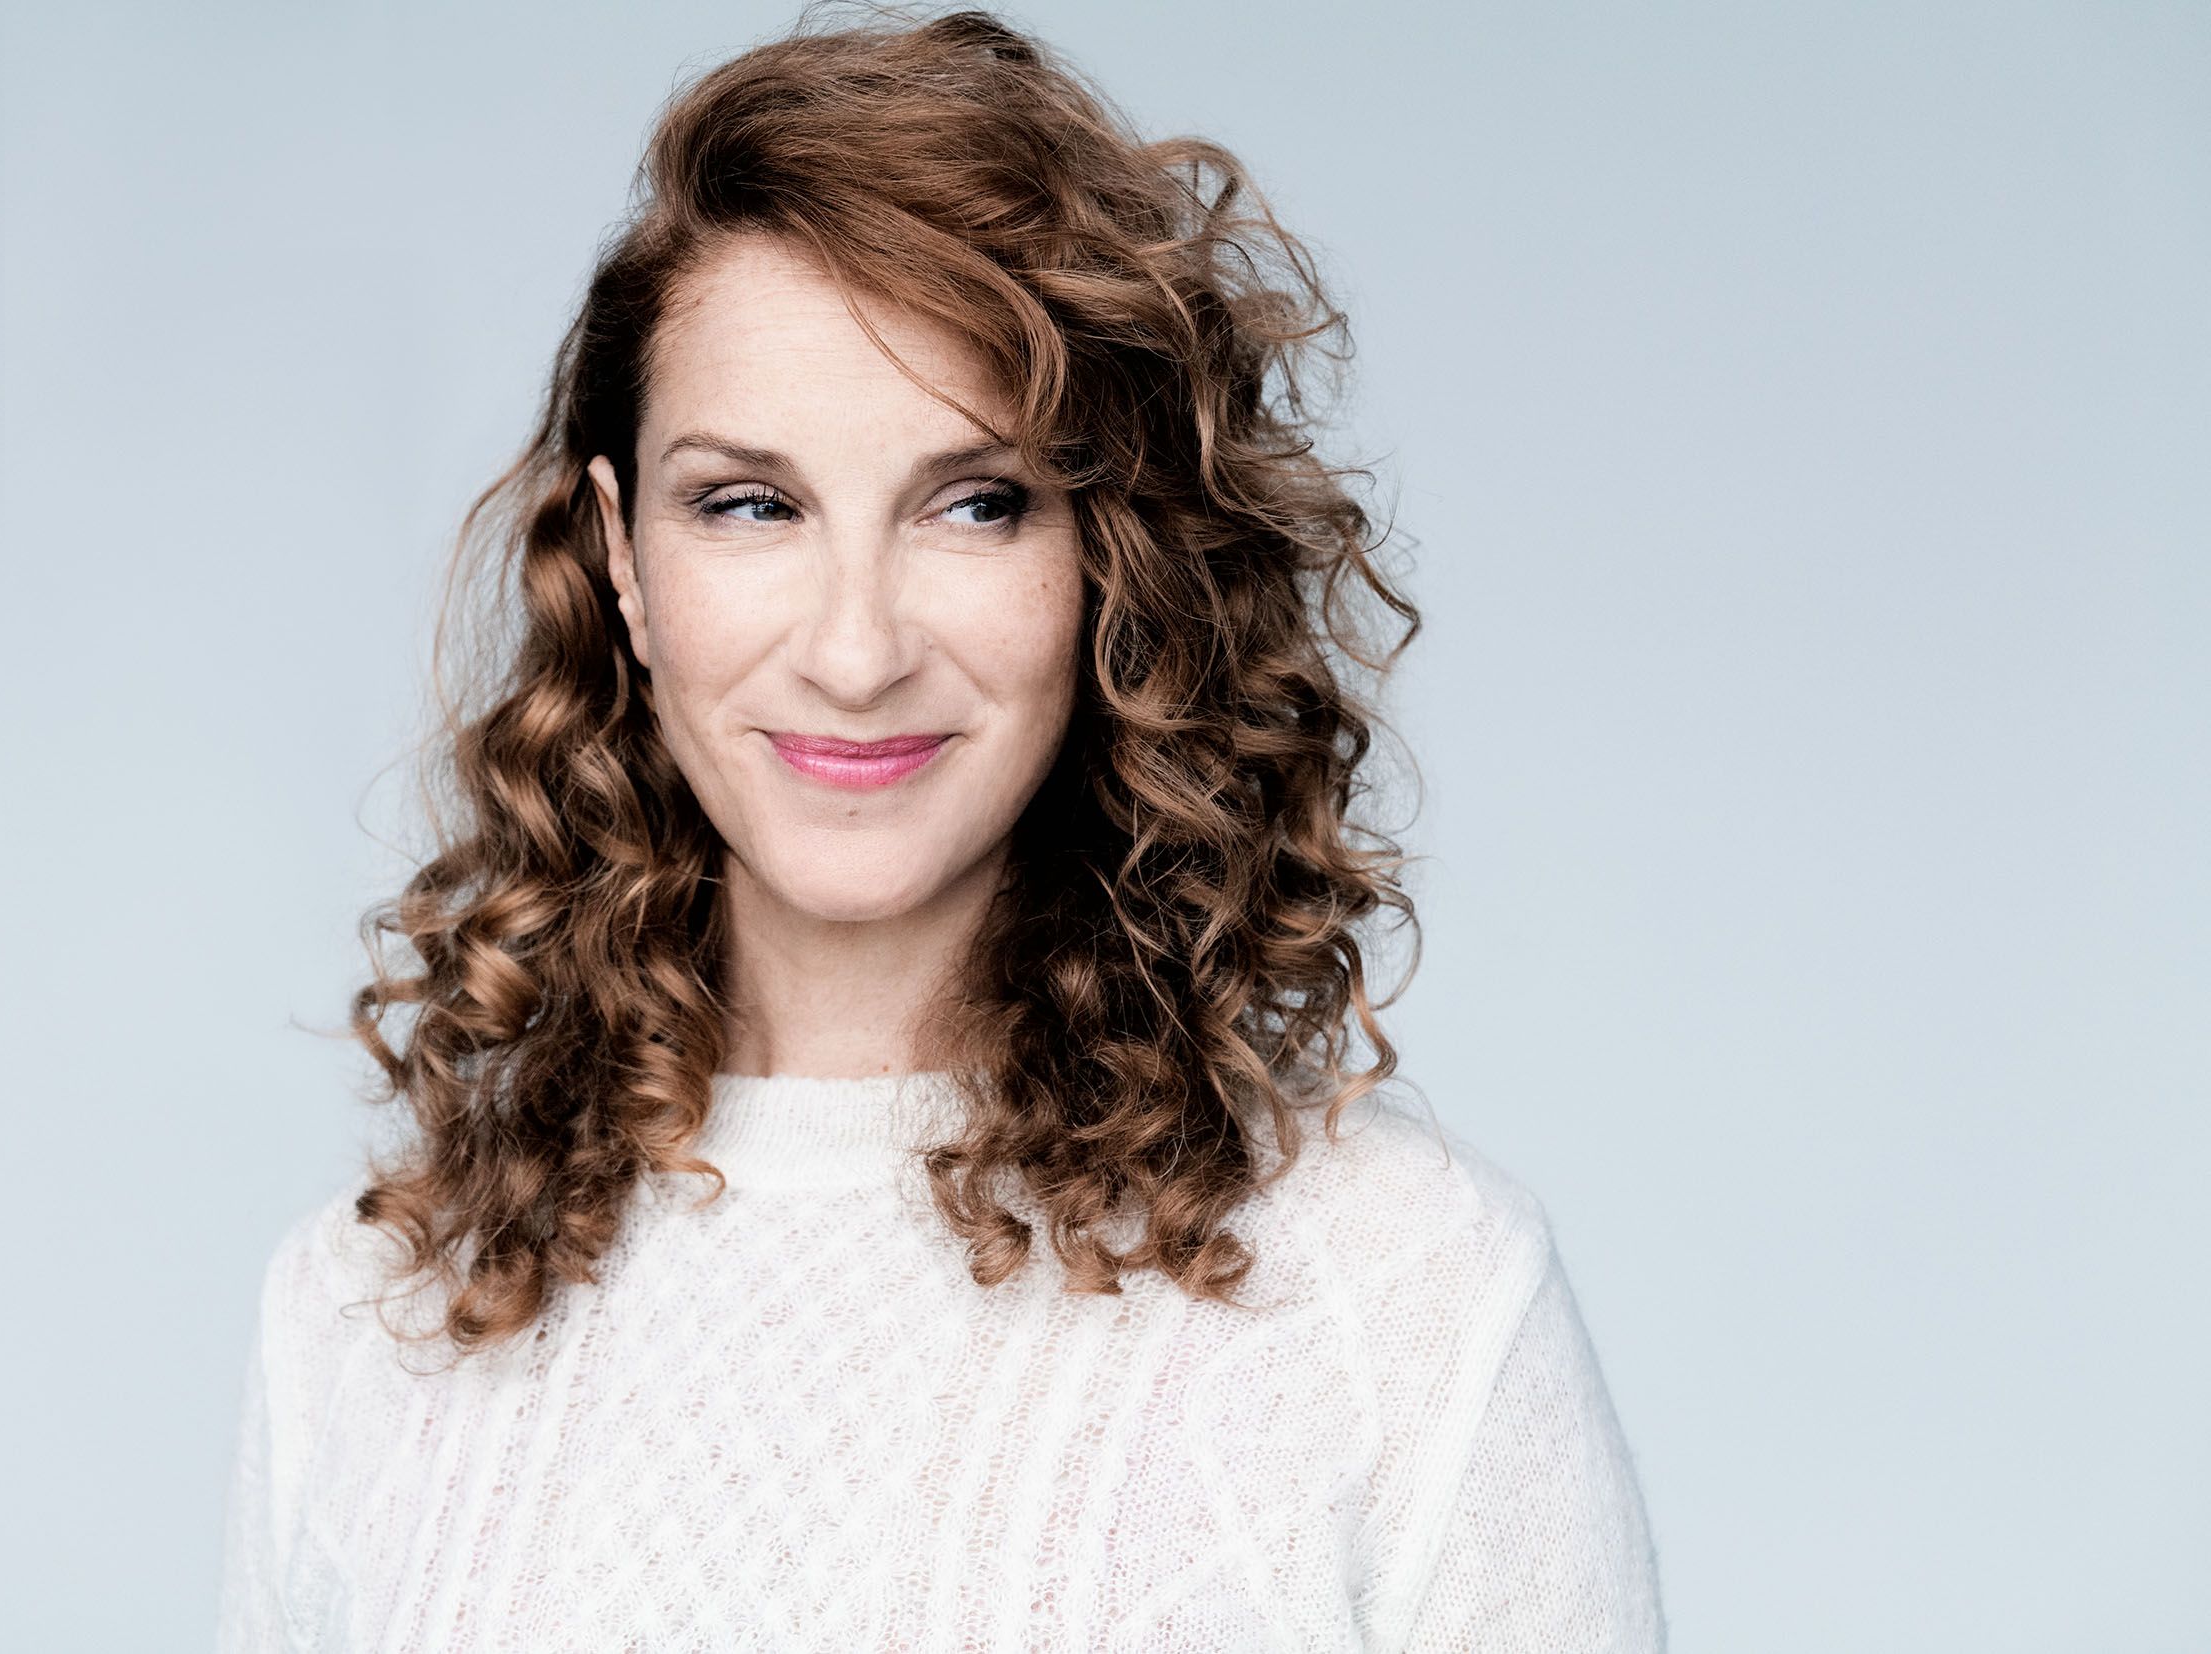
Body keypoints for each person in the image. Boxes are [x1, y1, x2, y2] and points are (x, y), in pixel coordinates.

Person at [215, 8, 1665, 1649]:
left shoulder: (1400, 1298)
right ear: (622, 555)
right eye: (748, 504)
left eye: (975, 502)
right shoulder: (363, 1313)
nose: (856, 652)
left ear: (1107, 555)